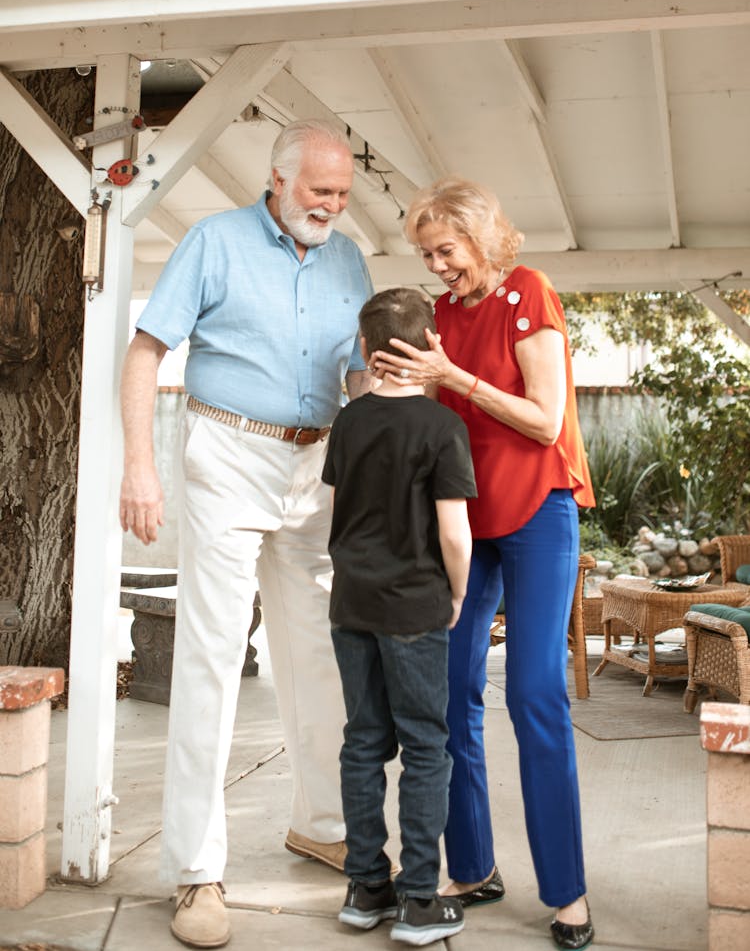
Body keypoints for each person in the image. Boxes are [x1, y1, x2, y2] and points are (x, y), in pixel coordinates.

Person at [119, 119, 375, 950]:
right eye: (319, 193)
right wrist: (140, 468)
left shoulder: (347, 256)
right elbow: (144, 351)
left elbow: (358, 371)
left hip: (317, 465)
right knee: (212, 653)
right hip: (225, 450)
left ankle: (322, 822)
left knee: (320, 651)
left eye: (341, 194)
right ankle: (196, 869)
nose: (332, 207)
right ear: (278, 179)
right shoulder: (215, 241)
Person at [370, 178, 597, 951]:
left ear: (482, 238)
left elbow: (545, 418)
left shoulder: (527, 292)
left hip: (537, 509)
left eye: (448, 250)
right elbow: (432, 415)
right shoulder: (439, 319)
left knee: (534, 690)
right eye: (427, 254)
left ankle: (567, 892)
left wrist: (455, 379)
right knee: (447, 687)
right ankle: (472, 867)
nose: (438, 266)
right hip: (465, 518)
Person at [322, 287, 477, 947]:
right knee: (424, 744)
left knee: (362, 739)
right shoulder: (442, 428)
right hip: (415, 604)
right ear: (428, 349)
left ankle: (365, 887)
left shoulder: (348, 422)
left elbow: (340, 511)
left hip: (352, 601)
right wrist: (460, 593)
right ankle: (418, 897)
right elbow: (454, 532)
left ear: (365, 349)